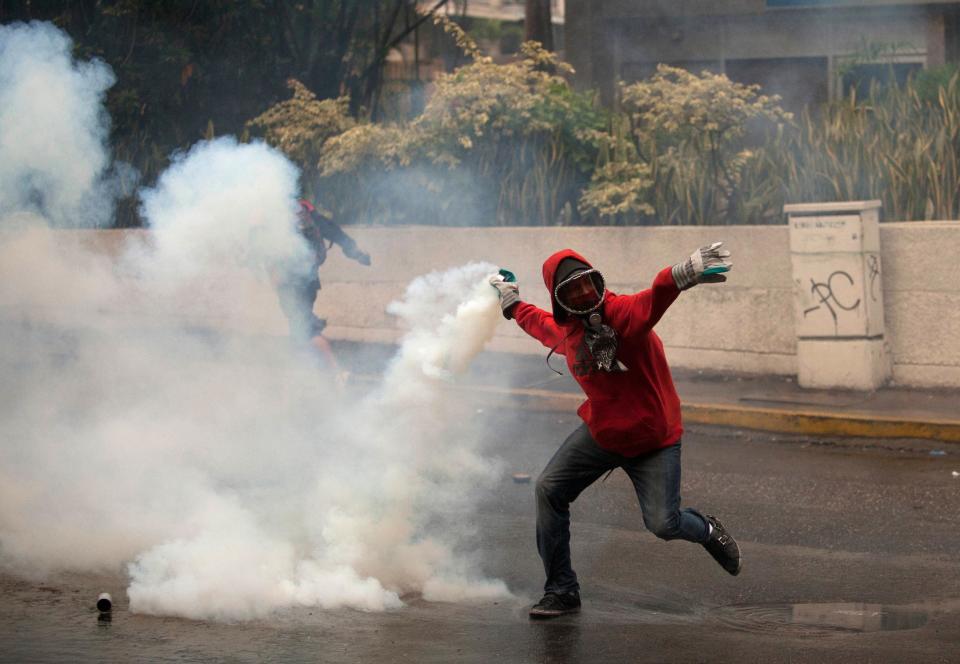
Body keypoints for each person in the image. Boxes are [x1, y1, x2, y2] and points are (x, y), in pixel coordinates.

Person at [488, 243, 741, 619]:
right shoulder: (562, 330)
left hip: (654, 438)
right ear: (560, 301)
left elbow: (653, 297)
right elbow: (530, 318)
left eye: (588, 284)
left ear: (598, 282)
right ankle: (561, 590)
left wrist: (679, 275)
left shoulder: (624, 315)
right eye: (571, 291)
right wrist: (510, 301)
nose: (584, 296)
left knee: (663, 523)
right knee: (548, 490)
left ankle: (706, 529)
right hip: (604, 434)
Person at [274, 199, 371, 366]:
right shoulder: (309, 215)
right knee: (300, 328)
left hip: (291, 284)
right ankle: (307, 371)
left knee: (306, 330)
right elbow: (336, 233)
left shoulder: (276, 217)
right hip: (310, 283)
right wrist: (357, 254)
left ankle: (334, 371)